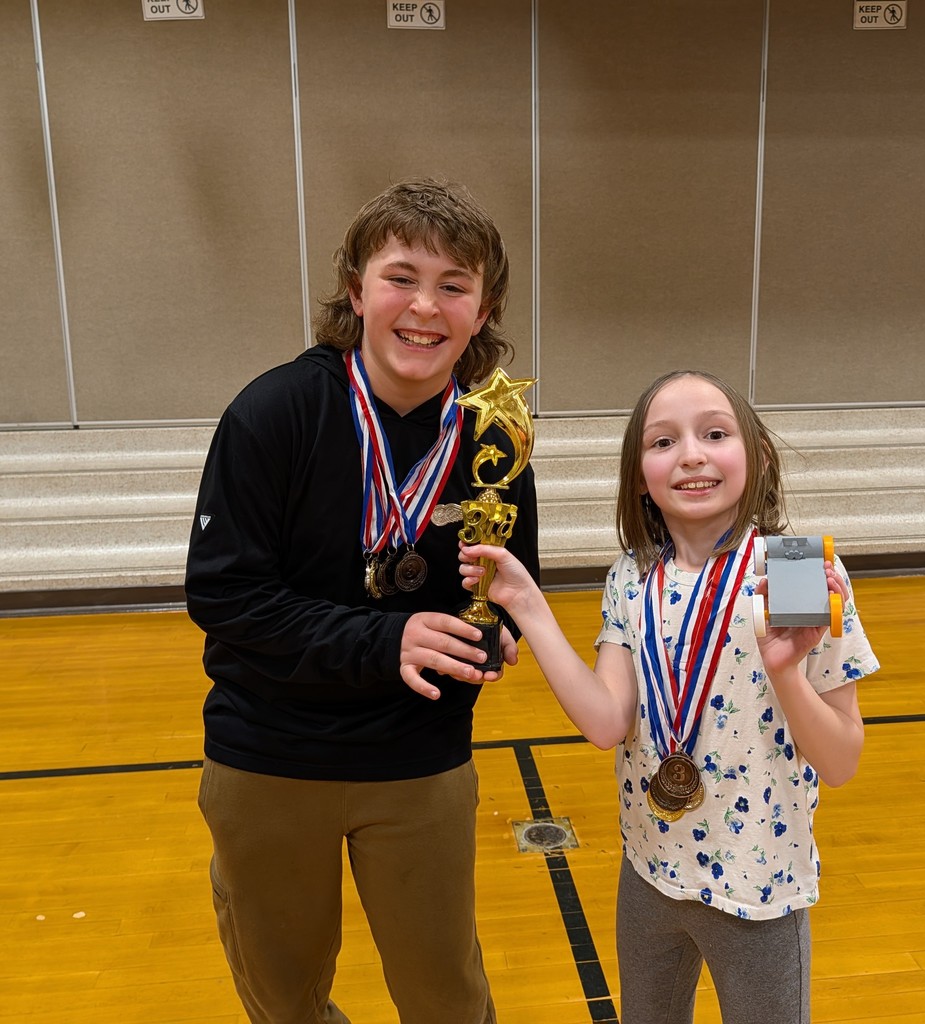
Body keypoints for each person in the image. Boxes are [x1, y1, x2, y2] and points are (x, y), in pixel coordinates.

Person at [185, 178, 539, 1024]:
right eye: (401, 277)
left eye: (454, 284)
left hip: (417, 760)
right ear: (355, 290)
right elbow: (224, 594)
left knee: (446, 999)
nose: (425, 306)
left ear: (483, 308)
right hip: (269, 757)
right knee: (284, 999)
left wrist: (493, 637)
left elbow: (507, 582)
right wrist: (388, 642)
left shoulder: (496, 434)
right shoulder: (276, 411)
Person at [459, 369, 879, 1024]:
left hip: (759, 887)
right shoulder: (632, 575)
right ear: (638, 476)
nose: (690, 454)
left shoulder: (793, 568)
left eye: (715, 433)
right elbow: (606, 723)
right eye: (663, 441)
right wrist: (527, 606)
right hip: (649, 874)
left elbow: (843, 761)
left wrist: (788, 673)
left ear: (758, 456)